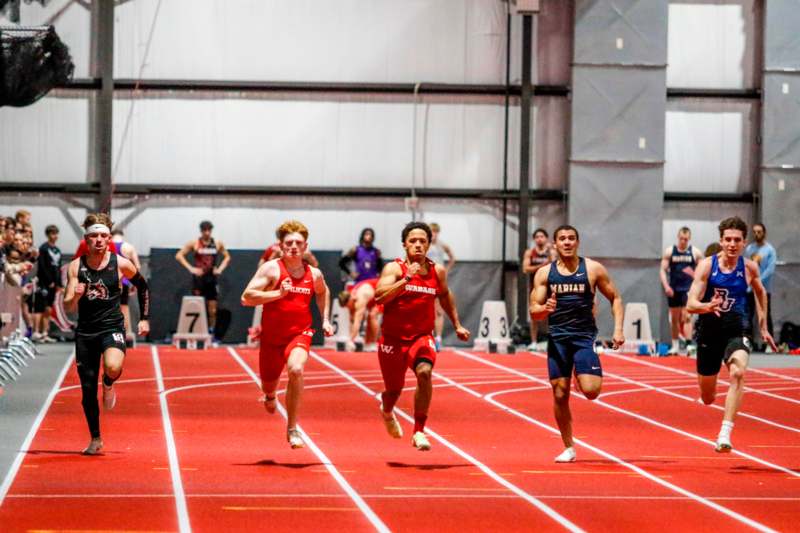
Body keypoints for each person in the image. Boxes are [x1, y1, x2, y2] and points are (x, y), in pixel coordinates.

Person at [530, 225, 624, 463]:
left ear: (578, 242)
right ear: (555, 244)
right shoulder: (544, 274)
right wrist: (544, 309)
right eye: (562, 239)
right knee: (560, 393)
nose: (567, 242)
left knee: (591, 391)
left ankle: (580, 368)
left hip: (583, 338)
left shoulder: (592, 269)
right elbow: (534, 311)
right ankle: (569, 447)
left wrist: (619, 329)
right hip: (558, 339)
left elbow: (615, 297)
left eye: (571, 238)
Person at [375, 222, 470, 451]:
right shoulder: (394, 269)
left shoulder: (437, 271)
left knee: (425, 373)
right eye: (413, 241)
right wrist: (406, 279)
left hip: (421, 336)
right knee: (393, 391)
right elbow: (379, 297)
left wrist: (457, 324)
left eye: (422, 241)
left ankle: (419, 431)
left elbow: (446, 296)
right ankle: (387, 412)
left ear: (429, 244)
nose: (418, 245)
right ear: (404, 245)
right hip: (392, 340)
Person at [687, 216, 777, 453]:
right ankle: (711, 392)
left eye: (737, 240)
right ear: (721, 241)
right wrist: (707, 306)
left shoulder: (749, 267)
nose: (732, 244)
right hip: (709, 332)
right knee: (707, 396)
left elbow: (761, 293)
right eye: (728, 239)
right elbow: (690, 304)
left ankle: (725, 432)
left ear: (744, 242)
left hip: (737, 329)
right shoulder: (707, 265)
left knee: (738, 372)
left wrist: (763, 326)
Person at [63, 213, 151, 455]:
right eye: (94, 236)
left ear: (109, 238)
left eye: (103, 236)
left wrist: (144, 318)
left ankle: (109, 383)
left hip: (112, 326)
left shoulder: (120, 263)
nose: (99, 240)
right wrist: (77, 295)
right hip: (86, 332)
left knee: (112, 367)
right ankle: (96, 438)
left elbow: (142, 286)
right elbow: (68, 306)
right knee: (87, 389)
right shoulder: (76, 266)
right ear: (86, 240)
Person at [241, 220, 333, 449]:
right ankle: (270, 396)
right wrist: (277, 294)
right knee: (268, 386)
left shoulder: (314, 273)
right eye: (288, 242)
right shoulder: (271, 269)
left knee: (296, 369)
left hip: (300, 334)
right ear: (281, 246)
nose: (293, 246)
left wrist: (326, 319)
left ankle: (292, 429)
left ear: (305, 247)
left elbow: (323, 292)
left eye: (298, 243)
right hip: (272, 339)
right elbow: (246, 297)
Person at [175, 220, 230, 339]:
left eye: (209, 230)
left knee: (212, 310)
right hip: (199, 280)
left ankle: (211, 333)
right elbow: (179, 255)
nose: (207, 233)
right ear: (201, 231)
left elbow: (227, 257)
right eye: (205, 230)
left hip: (212, 280)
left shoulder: (217, 243)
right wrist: (191, 268)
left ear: (211, 230)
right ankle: (196, 333)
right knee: (197, 306)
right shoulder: (195, 243)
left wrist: (220, 269)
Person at [660, 227, 703, 354]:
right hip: (674, 289)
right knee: (674, 319)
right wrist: (666, 286)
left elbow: (702, 272)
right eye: (681, 239)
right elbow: (662, 270)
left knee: (687, 316)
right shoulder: (670, 251)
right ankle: (675, 346)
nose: (683, 241)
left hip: (688, 290)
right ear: (678, 238)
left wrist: (695, 277)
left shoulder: (695, 252)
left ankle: (689, 344)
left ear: (689, 238)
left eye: (686, 239)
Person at [744, 223, 776, 347]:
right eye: (755, 232)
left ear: (764, 233)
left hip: (764, 289)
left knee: (765, 316)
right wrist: (749, 283)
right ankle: (748, 342)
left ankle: (768, 344)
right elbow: (746, 266)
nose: (757, 234)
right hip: (749, 290)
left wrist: (758, 281)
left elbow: (770, 269)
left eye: (759, 232)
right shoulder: (749, 249)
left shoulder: (769, 250)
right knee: (748, 315)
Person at [426, 223, 456, 351]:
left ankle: (438, 339)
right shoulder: (424, 245)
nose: (434, 234)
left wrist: (446, 270)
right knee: (426, 309)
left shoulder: (442, 245)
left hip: (438, 280)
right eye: (432, 232)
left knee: (439, 310)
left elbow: (452, 258)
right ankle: (427, 337)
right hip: (426, 279)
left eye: (436, 232)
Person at [523, 228, 554, 349]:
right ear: (534, 239)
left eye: (542, 236)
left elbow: (555, 264)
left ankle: (549, 340)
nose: (539, 239)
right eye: (537, 237)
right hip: (535, 287)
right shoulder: (530, 252)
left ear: (546, 238)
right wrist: (542, 266)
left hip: (550, 286)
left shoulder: (551, 251)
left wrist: (551, 254)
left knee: (550, 313)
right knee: (534, 314)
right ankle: (534, 342)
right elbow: (525, 269)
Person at [111, 229, 143, 342]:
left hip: (108, 280)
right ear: (122, 235)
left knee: (107, 307)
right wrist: (135, 283)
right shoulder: (129, 247)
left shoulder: (105, 246)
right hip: (123, 281)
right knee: (124, 306)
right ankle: (127, 333)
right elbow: (137, 267)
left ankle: (108, 332)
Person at [32, 225, 62, 343]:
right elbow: (42, 267)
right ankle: (36, 332)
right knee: (41, 307)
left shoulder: (57, 250)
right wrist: (48, 281)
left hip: (54, 284)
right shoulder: (43, 248)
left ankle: (45, 332)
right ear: (48, 235)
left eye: (56, 233)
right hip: (44, 283)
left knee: (49, 309)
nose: (55, 236)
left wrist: (58, 283)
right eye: (52, 233)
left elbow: (58, 268)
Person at [337, 277, 381, 351]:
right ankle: (368, 343)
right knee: (367, 317)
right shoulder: (350, 299)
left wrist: (351, 340)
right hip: (371, 294)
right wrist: (350, 338)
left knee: (372, 315)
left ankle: (375, 343)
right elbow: (352, 321)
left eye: (347, 306)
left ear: (350, 300)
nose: (348, 308)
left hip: (380, 291)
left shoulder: (359, 299)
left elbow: (357, 322)